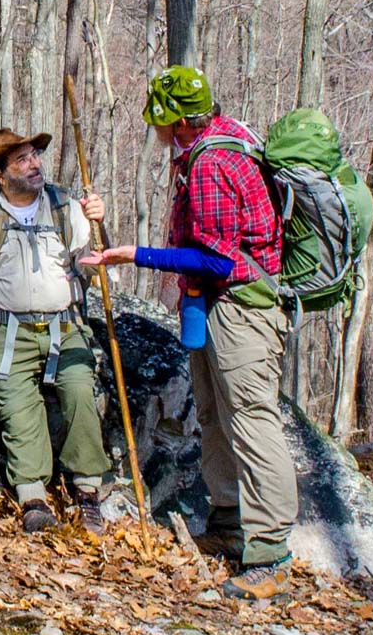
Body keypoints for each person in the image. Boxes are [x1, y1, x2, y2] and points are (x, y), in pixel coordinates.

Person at [81, 66, 297, 600]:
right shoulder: (220, 143)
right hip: (216, 307)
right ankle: (228, 524)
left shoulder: (213, 163)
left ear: (177, 121)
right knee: (213, 412)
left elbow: (218, 259)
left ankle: (271, 552)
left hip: (243, 308)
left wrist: (135, 255)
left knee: (251, 419)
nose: (155, 129)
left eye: (159, 119)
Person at [0, 128, 111, 534]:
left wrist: (99, 223)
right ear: (0, 177)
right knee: (15, 404)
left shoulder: (64, 209)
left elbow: (94, 260)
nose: (34, 164)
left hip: (66, 325)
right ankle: (33, 498)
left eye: (35, 157)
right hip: (7, 332)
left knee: (80, 390)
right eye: (22, 160)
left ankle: (88, 492)